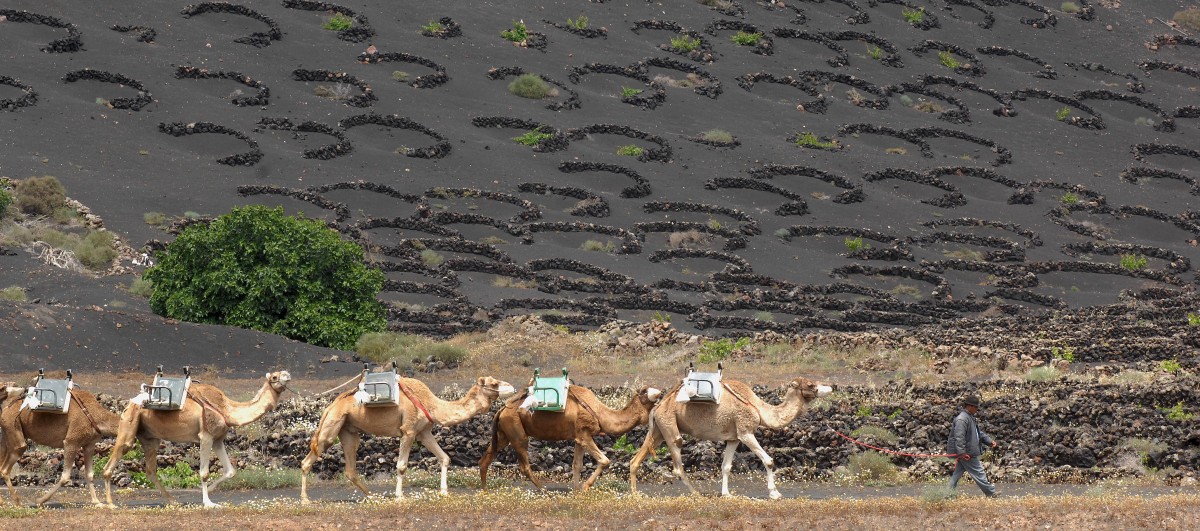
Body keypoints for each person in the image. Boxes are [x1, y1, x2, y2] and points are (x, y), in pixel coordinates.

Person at [947, 394, 998, 497]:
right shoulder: (962, 419)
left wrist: (988, 441)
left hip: (965, 452)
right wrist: (962, 453)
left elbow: (977, 433)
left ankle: (948, 495)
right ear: (970, 406)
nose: (977, 410)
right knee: (979, 473)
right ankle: (991, 493)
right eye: (976, 407)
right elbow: (959, 437)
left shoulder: (969, 418)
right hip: (967, 453)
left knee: (956, 475)